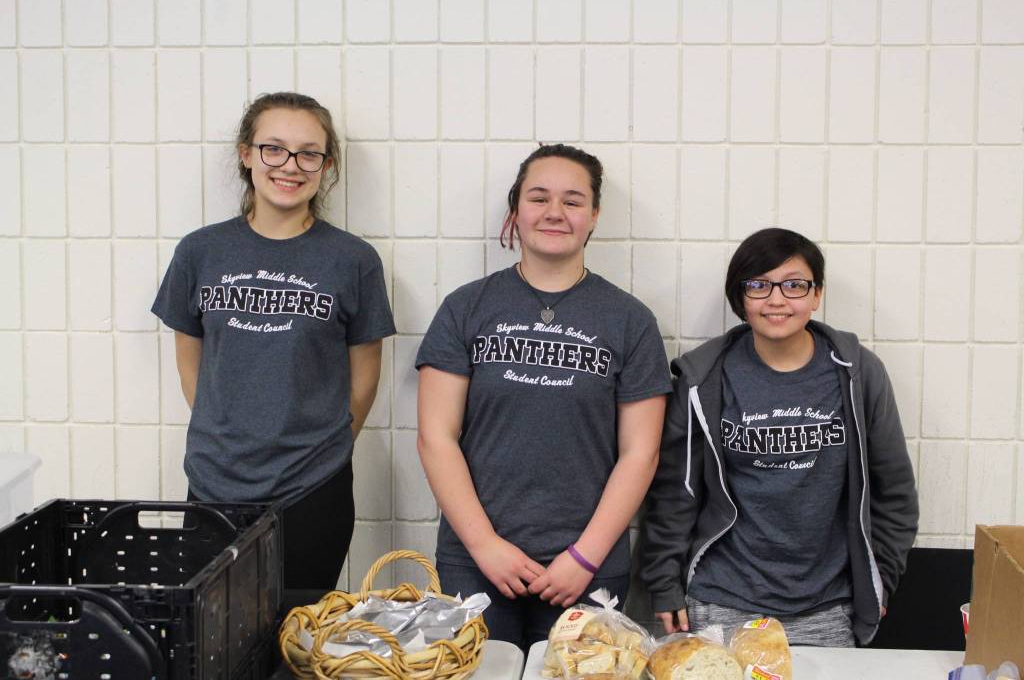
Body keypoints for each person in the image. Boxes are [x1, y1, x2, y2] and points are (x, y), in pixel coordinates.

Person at [415, 143, 672, 650]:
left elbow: (640, 453)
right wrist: (485, 546)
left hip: (587, 567)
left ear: (594, 215)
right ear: (516, 209)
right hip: (476, 561)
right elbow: (435, 437)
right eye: (539, 198)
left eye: (573, 201)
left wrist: (584, 557)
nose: (555, 212)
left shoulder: (630, 320)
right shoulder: (466, 308)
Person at [152, 92, 395, 590]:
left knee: (302, 628)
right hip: (214, 481)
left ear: (326, 165)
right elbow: (189, 360)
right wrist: (225, 433)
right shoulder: (200, 251)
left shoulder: (353, 260)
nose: (290, 165)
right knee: (214, 627)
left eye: (309, 153)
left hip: (313, 485)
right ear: (246, 154)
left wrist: (322, 447)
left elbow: (365, 377)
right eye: (274, 148)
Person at [640, 227, 918, 647]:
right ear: (741, 297)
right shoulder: (703, 379)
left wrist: (881, 580)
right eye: (759, 285)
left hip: (827, 606)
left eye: (794, 285)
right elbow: (674, 495)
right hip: (721, 600)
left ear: (816, 294)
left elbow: (893, 490)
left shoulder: (858, 374)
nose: (776, 299)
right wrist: (664, 582)